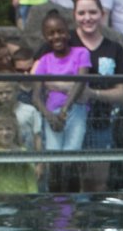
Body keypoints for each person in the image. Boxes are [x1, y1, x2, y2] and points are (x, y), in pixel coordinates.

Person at [70, 0, 123, 190]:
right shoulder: (63, 43)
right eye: (81, 13)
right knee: (67, 181)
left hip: (101, 122)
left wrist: (93, 94)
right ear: (74, 15)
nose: (87, 18)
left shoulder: (114, 49)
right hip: (67, 120)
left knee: (97, 183)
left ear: (102, 14)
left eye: (92, 12)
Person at [31, 11, 91, 158]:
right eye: (51, 33)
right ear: (45, 37)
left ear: (68, 32)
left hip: (75, 109)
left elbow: (80, 82)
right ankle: (56, 181)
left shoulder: (81, 53)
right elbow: (36, 96)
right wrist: (49, 116)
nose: (56, 36)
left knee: (72, 151)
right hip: (52, 112)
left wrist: (64, 110)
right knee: (54, 154)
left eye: (60, 31)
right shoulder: (44, 60)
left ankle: (69, 181)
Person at [0, 108, 39, 194]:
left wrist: (32, 200)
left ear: (15, 130)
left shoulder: (22, 152)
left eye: (9, 129)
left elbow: (32, 183)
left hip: (22, 199)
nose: (5, 133)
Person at [0, 77, 42, 153]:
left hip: (29, 157)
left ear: (17, 91)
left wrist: (40, 160)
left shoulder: (30, 111)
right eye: (0, 93)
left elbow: (37, 136)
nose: (4, 96)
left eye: (8, 92)